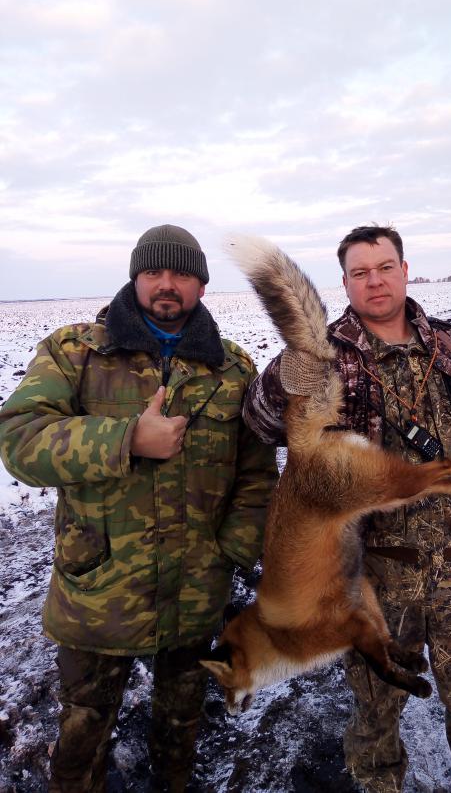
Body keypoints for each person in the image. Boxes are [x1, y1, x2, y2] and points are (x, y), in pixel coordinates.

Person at [242, 225, 451, 793]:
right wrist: (282, 381)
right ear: (345, 283)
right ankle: (378, 782)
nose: (375, 281)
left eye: (385, 267)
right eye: (360, 272)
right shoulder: (323, 360)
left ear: (405, 270)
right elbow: (261, 423)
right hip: (374, 570)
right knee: (375, 702)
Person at [0, 225, 278, 793]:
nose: (166, 284)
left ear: (202, 284)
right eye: (154, 272)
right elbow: (19, 439)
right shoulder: (77, 352)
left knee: (180, 729)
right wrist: (126, 438)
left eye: (181, 273)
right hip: (99, 594)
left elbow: (256, 475)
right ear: (135, 277)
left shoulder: (233, 369)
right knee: (82, 737)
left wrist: (231, 551)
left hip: (195, 594)